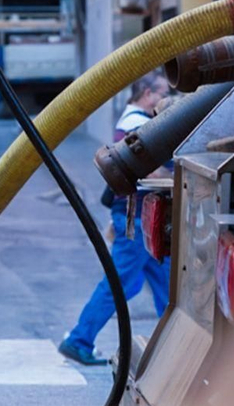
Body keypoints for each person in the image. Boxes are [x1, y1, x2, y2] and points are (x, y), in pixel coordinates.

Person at [59, 72, 172, 366]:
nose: (166, 100)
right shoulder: (137, 125)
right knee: (120, 285)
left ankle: (174, 346)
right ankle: (79, 340)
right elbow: (151, 172)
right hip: (135, 219)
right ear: (147, 94)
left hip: (142, 218)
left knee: (167, 286)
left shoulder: (133, 122)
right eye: (162, 93)